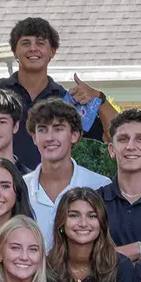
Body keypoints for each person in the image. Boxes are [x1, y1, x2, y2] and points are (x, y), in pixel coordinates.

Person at [0, 16, 116, 167]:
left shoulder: (66, 101)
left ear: (53, 51)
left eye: (40, 43)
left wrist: (100, 99)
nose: (33, 48)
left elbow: (117, 134)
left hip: (51, 186)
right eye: (25, 43)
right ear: (14, 51)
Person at [46, 188, 141, 282]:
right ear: (61, 223)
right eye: (74, 215)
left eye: (92, 216)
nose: (83, 223)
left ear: (102, 223)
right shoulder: (46, 267)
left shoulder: (121, 267)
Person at [24, 97, 113, 251]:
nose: (50, 137)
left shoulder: (100, 186)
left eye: (58, 129)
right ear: (34, 138)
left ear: (75, 135)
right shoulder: (20, 188)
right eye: (42, 129)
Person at [103, 109, 141, 253]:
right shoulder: (95, 202)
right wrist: (139, 248)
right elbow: (84, 260)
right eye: (123, 139)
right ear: (111, 149)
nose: (130, 146)